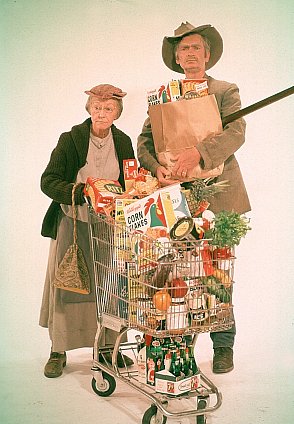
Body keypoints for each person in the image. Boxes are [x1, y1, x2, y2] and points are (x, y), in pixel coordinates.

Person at [137, 22, 251, 373]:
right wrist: (156, 167)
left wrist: (198, 153)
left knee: (218, 271)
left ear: (207, 54)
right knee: (176, 274)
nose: (190, 54)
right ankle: (177, 342)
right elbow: (144, 139)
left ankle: (223, 345)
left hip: (220, 197)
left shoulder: (225, 90)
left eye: (195, 48)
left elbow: (237, 131)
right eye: (183, 49)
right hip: (176, 199)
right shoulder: (163, 94)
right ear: (176, 56)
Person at [40, 84, 135, 378]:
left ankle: (108, 348)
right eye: (97, 107)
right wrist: (82, 191)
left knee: (110, 287)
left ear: (117, 113)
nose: (102, 113)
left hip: (109, 225)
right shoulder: (70, 139)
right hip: (73, 219)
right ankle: (58, 350)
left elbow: (131, 179)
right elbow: (48, 181)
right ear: (89, 109)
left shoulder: (124, 141)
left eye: (108, 108)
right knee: (68, 283)